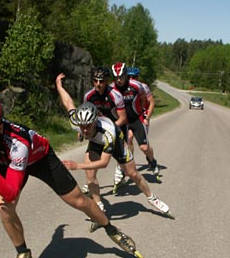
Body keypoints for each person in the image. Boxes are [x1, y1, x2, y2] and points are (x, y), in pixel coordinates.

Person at [0, 69, 144, 258]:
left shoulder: (17, 145)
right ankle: (23, 256)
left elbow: (11, 190)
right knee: (4, 206)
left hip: (40, 158)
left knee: (78, 201)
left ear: (0, 128)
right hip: (11, 162)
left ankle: (111, 229)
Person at [55, 72, 172, 229]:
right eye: (81, 126)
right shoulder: (77, 122)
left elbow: (104, 163)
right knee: (90, 177)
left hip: (115, 142)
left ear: (95, 122)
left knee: (133, 174)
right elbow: (68, 103)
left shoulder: (108, 131)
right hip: (96, 142)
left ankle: (152, 198)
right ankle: (99, 207)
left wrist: (76, 166)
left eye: (87, 126)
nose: (83, 130)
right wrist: (58, 86)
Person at [79, 67, 127, 205]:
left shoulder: (115, 95)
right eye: (95, 80)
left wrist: (110, 131)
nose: (98, 83)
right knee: (90, 168)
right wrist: (81, 130)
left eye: (101, 81)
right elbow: (85, 115)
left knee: (131, 171)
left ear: (106, 81)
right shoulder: (89, 96)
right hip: (98, 133)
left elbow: (122, 118)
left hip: (115, 131)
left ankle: (121, 172)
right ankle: (96, 199)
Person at [110, 63, 161, 179]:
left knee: (144, 147)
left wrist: (145, 115)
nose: (119, 80)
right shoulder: (111, 88)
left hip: (137, 119)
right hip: (124, 121)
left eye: (121, 77)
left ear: (125, 75)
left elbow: (145, 100)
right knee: (127, 141)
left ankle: (152, 161)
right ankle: (124, 167)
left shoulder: (137, 86)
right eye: (116, 78)